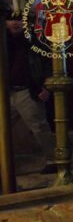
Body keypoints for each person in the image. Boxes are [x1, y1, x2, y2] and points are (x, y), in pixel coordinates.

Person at [6, 14, 55, 174]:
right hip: (6, 92)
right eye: (11, 20)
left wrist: (46, 87)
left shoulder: (35, 41)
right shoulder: (4, 42)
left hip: (27, 91)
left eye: (19, 19)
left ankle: (54, 160)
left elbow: (48, 64)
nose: (15, 23)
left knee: (40, 127)